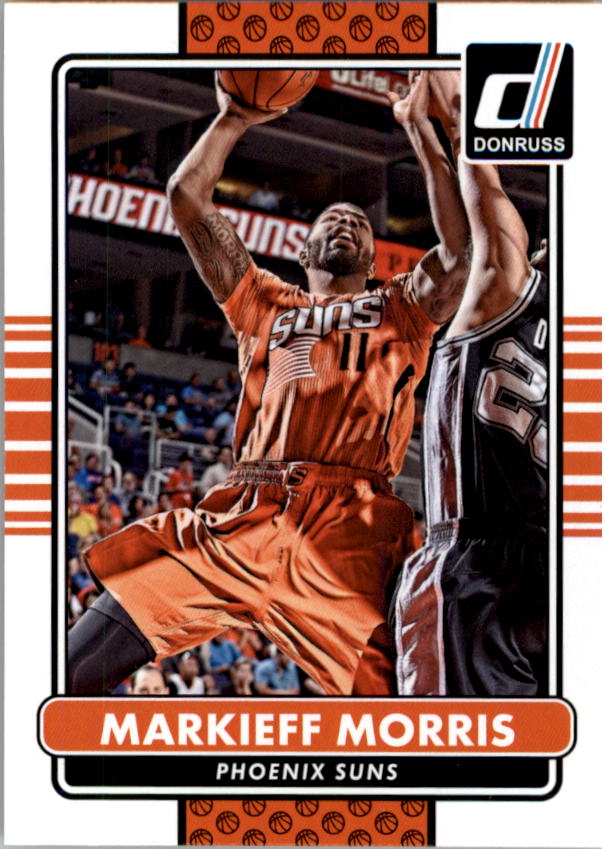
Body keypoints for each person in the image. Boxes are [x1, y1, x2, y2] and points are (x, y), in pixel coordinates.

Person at [68, 75, 469, 697]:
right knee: (73, 664)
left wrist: (421, 130)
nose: (346, 222)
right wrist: (233, 117)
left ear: (372, 262)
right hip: (246, 510)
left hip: (352, 529)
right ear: (303, 252)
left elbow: (463, 252)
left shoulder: (402, 308)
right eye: (332, 218)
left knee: (407, 706)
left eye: (358, 223)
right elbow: (186, 195)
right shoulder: (263, 301)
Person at [393, 71, 548, 697]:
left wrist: (443, 114)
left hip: (474, 566)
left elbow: (481, 198)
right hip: (560, 568)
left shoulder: (509, 285)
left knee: (458, 746)